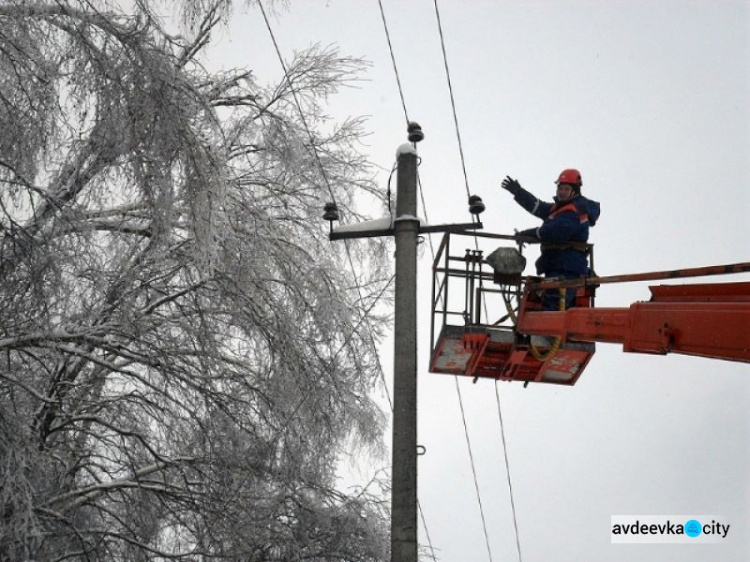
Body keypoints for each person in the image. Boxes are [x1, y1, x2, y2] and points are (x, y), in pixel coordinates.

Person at [501, 169, 600, 310]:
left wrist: (527, 234)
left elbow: (552, 232)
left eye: (566, 189)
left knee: (553, 311)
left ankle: (547, 332)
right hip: (559, 266)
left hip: (567, 268)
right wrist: (519, 192)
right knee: (554, 309)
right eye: (560, 188)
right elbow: (538, 207)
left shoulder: (574, 211)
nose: (561, 192)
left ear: (575, 191)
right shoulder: (561, 208)